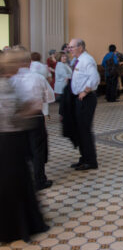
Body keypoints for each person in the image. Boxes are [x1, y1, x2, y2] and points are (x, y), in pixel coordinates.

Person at [0, 48, 49, 243]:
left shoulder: (8, 83)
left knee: (19, 182)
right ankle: (15, 227)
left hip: (13, 141)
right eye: (19, 64)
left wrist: (27, 108)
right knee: (12, 182)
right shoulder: (4, 86)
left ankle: (23, 223)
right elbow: (12, 116)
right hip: (7, 142)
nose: (22, 67)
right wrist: (31, 110)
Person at [11, 50, 55, 191]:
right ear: (30, 62)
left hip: (18, 119)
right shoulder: (37, 78)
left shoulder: (11, 79)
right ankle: (39, 180)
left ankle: (24, 179)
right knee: (38, 150)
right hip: (35, 116)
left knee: (23, 149)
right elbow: (50, 97)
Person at [68, 38, 100, 171]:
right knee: (80, 130)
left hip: (86, 99)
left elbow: (95, 78)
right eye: (69, 47)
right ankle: (84, 157)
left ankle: (91, 161)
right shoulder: (78, 60)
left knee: (85, 130)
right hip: (79, 98)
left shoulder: (87, 60)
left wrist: (85, 91)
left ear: (80, 47)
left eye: (72, 47)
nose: (69, 50)